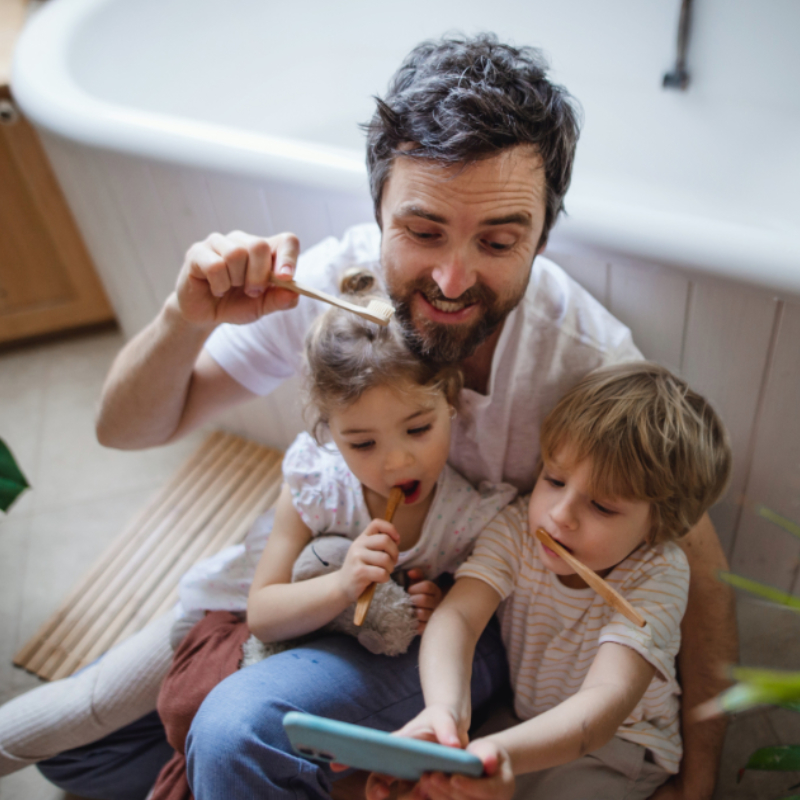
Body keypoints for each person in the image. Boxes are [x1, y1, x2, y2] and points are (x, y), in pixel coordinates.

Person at [1, 33, 734, 800]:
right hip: (308, 584)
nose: (453, 280)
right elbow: (127, 430)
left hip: (438, 625)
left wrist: (703, 777)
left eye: (498, 240)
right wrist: (183, 317)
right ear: (377, 210)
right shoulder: (334, 293)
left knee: (234, 732)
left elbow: (694, 566)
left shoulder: (585, 361)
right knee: (79, 759)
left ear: (543, 238)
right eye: (422, 232)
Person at [145, 274, 517, 800]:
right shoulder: (317, 485)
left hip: (383, 668)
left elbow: (469, 620)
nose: (396, 462)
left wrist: (438, 601)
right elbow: (264, 612)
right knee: (92, 751)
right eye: (361, 442)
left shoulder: (468, 516)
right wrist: (344, 584)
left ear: (450, 403)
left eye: (418, 429)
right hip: (296, 641)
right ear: (330, 435)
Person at [367, 363, 732, 800]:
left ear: (658, 525)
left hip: (619, 748)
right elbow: (458, 619)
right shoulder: (521, 524)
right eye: (554, 479)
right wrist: (444, 712)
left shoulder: (659, 571)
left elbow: (601, 707)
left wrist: (493, 754)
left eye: (601, 506)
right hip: (523, 723)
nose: (559, 514)